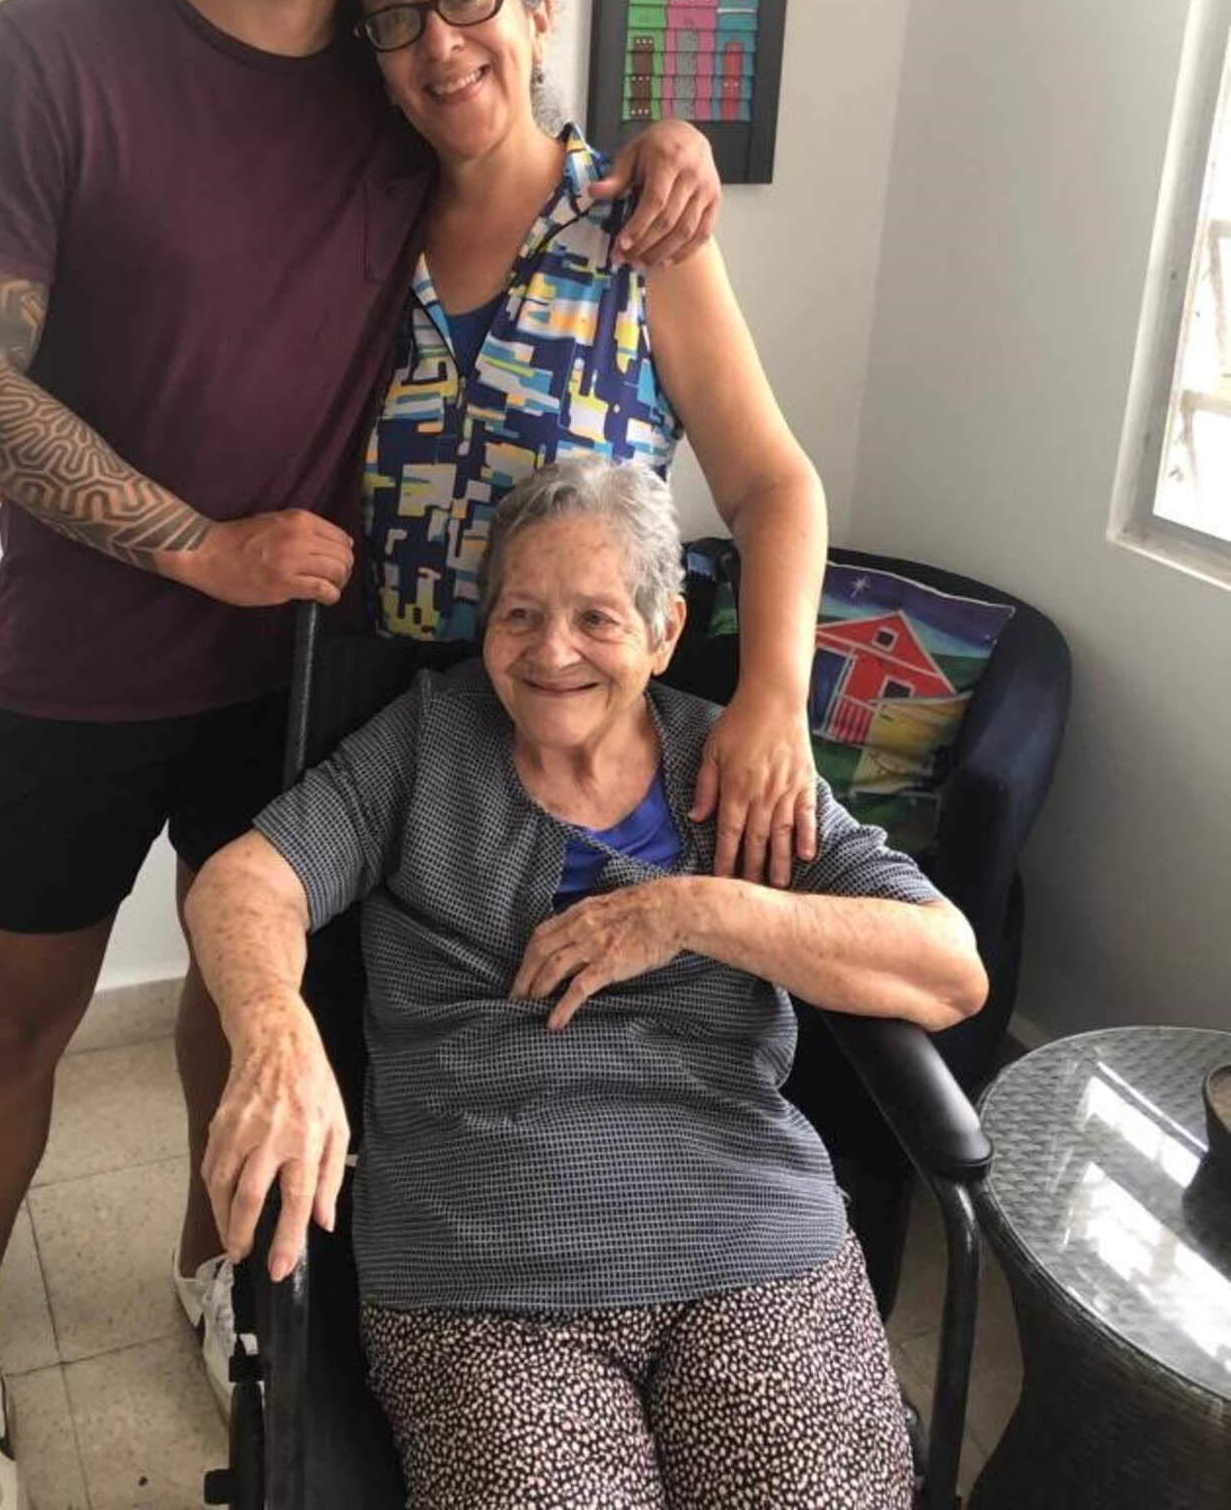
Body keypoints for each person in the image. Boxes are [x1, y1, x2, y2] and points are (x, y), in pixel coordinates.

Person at [0, 0, 724, 1510]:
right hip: (83, 662)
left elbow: (512, 115)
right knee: (10, 1032)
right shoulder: (50, 53)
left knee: (234, 999)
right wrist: (194, 543)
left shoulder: (383, 78)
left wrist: (661, 143)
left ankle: (211, 1270)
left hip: (316, 685)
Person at [187, 456, 988, 1510]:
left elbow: (950, 966)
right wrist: (275, 1027)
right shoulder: (427, 742)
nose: (552, 650)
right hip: (487, 1273)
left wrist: (696, 907)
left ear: (663, 631)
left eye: (597, 618)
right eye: (521, 612)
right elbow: (243, 881)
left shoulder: (734, 772)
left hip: (746, 1241)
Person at [353, 0, 828, 887]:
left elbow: (772, 486)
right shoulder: (360, 244)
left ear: (539, 9)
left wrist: (773, 697)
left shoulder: (642, 232)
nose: (438, 41)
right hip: (400, 750)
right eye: (396, 18)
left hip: (586, 754)